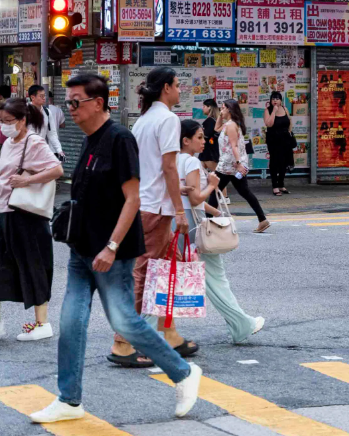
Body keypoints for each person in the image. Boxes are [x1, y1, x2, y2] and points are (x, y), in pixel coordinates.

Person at [29, 74, 201, 423]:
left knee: (125, 320)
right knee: (71, 324)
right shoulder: (90, 139)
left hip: (112, 253)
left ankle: (183, 373)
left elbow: (132, 199)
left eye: (76, 102)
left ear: (98, 103)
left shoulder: (119, 139)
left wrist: (111, 246)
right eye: (69, 102)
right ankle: (69, 399)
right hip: (82, 251)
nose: (70, 109)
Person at [108, 67, 197, 368]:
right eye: (177, 85)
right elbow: (169, 168)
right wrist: (180, 210)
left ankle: (167, 331)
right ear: (166, 88)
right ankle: (122, 341)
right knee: (143, 273)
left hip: (143, 204)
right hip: (156, 208)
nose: (180, 90)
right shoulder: (168, 119)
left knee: (163, 268)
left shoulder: (143, 120)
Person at [0, 99, 63, 342]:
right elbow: (4, 182)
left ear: (23, 120)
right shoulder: (9, 143)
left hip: (26, 214)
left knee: (33, 266)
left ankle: (42, 323)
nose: (5, 125)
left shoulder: (34, 142)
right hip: (4, 212)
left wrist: (27, 181)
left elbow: (56, 169)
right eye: (2, 121)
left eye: (10, 121)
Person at [178, 120, 265, 343]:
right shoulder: (191, 163)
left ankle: (144, 330)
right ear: (185, 141)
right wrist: (212, 183)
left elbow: (189, 199)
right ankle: (241, 325)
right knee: (216, 278)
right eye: (198, 137)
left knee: (171, 276)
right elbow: (196, 197)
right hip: (194, 226)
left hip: (179, 222)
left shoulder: (172, 161)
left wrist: (215, 213)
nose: (203, 141)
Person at [209, 99, 270, 234]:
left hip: (228, 165)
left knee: (214, 190)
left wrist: (238, 164)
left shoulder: (231, 125)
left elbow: (234, 146)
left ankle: (206, 222)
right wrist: (220, 114)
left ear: (229, 110)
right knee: (244, 192)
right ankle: (262, 219)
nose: (221, 110)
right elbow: (216, 129)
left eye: (223, 108)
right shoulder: (229, 124)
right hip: (232, 165)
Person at [264, 92, 294, 196]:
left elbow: (289, 121)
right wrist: (274, 112)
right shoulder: (268, 110)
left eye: (277, 99)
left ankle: (281, 184)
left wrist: (290, 132)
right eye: (273, 99)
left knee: (284, 162)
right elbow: (269, 124)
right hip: (273, 140)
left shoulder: (285, 109)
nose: (275, 101)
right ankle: (275, 186)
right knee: (274, 162)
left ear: (281, 100)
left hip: (285, 139)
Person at [28, 85, 65, 160]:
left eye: (44, 95)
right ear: (32, 97)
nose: (44, 98)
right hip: (27, 152)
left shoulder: (47, 112)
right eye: (41, 96)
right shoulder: (24, 111)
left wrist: (59, 150)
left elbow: (52, 133)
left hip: (41, 151)